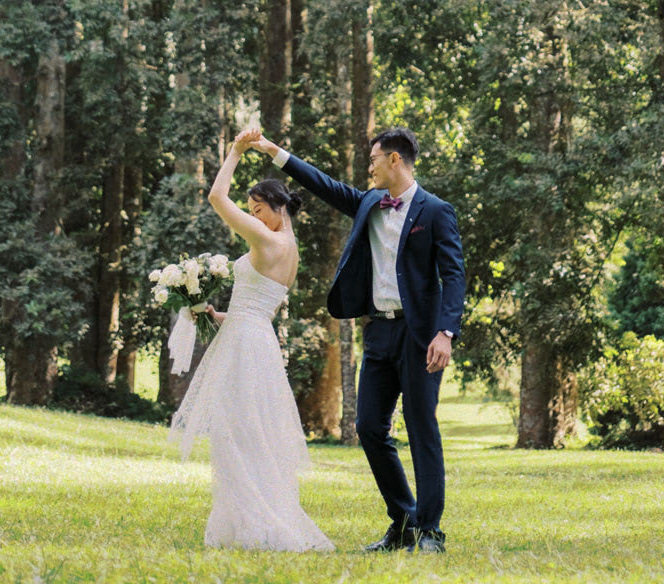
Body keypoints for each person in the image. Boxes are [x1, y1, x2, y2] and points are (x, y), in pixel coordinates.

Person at [252, 125, 465, 556]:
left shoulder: (436, 211)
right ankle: (403, 520)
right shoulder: (368, 201)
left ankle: (430, 531)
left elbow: (454, 274)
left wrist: (446, 331)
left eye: (373, 160)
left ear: (394, 160)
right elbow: (323, 184)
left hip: (421, 334)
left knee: (423, 428)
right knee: (368, 426)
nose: (367, 167)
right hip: (379, 331)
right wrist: (273, 151)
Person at [168, 129, 333, 553]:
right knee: (247, 431)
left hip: (246, 346)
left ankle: (261, 521)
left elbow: (216, 199)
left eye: (259, 209)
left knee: (235, 433)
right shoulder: (290, 248)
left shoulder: (268, 238)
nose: (254, 217)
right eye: (253, 212)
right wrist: (212, 312)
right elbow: (256, 309)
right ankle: (242, 520)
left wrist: (235, 152)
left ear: (278, 208)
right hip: (251, 337)